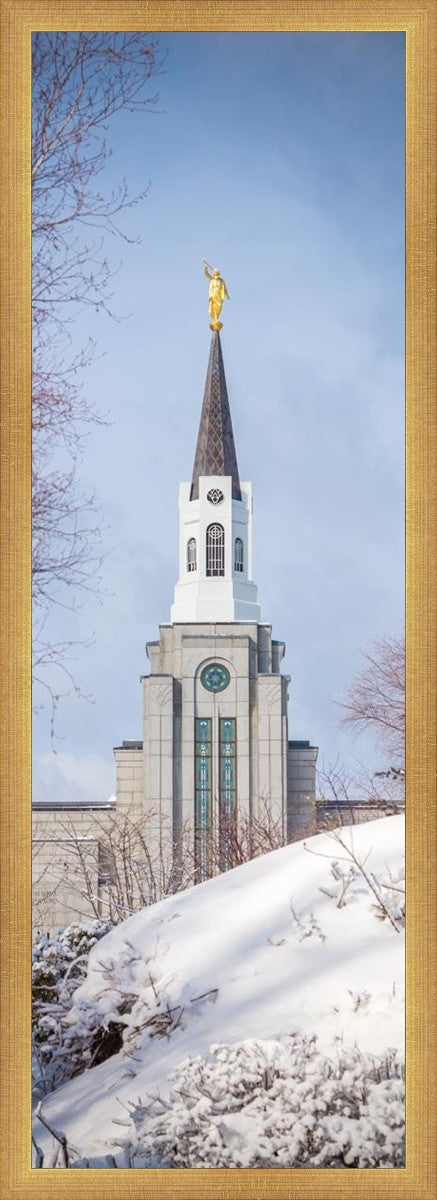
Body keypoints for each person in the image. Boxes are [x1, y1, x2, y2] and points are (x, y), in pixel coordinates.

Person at [202, 260, 230, 329]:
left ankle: (217, 317)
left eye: (216, 271)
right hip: (214, 293)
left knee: (219, 306)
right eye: (215, 271)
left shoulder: (221, 280)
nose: (215, 272)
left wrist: (227, 295)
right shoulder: (212, 279)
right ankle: (215, 318)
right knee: (214, 306)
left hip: (219, 294)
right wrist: (206, 269)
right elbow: (207, 274)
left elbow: (225, 288)